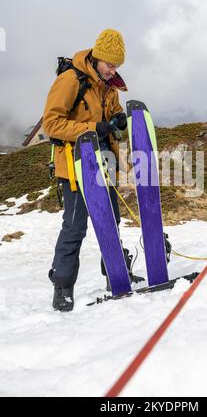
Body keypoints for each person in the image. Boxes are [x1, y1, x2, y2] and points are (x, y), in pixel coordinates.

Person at [43, 29, 144, 312]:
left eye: (117, 66)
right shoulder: (70, 80)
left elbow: (111, 111)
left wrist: (117, 120)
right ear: (98, 58)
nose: (114, 71)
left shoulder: (109, 85)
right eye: (111, 65)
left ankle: (116, 273)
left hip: (104, 160)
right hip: (74, 164)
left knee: (111, 218)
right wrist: (91, 128)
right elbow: (51, 123)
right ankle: (62, 287)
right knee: (75, 226)